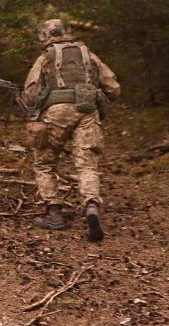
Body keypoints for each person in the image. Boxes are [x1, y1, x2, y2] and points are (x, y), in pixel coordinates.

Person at [19, 18, 120, 242]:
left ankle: (54, 213)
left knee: (44, 162)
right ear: (68, 33)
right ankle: (91, 205)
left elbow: (31, 94)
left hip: (58, 113)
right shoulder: (89, 55)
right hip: (88, 112)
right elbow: (113, 88)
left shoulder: (46, 57)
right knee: (87, 164)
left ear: (45, 36)